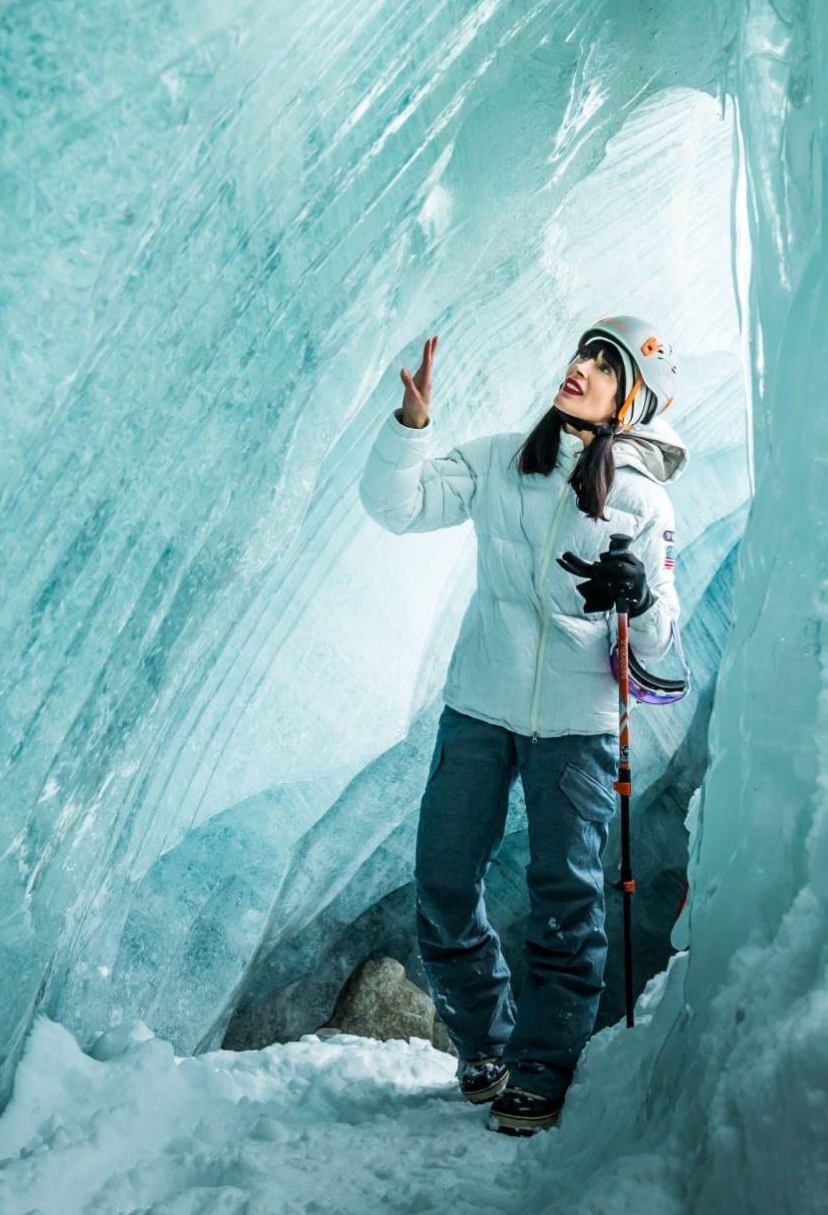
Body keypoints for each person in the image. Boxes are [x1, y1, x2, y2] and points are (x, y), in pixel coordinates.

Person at [358, 315, 687, 1135]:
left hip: (576, 727)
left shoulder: (644, 505)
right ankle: (486, 1043)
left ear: (630, 401)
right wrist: (412, 427)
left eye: (604, 365)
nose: (580, 367)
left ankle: (543, 1066)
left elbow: (663, 650)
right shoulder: (504, 457)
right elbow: (396, 505)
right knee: (441, 880)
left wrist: (638, 596)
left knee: (566, 902)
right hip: (480, 705)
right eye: (582, 352)